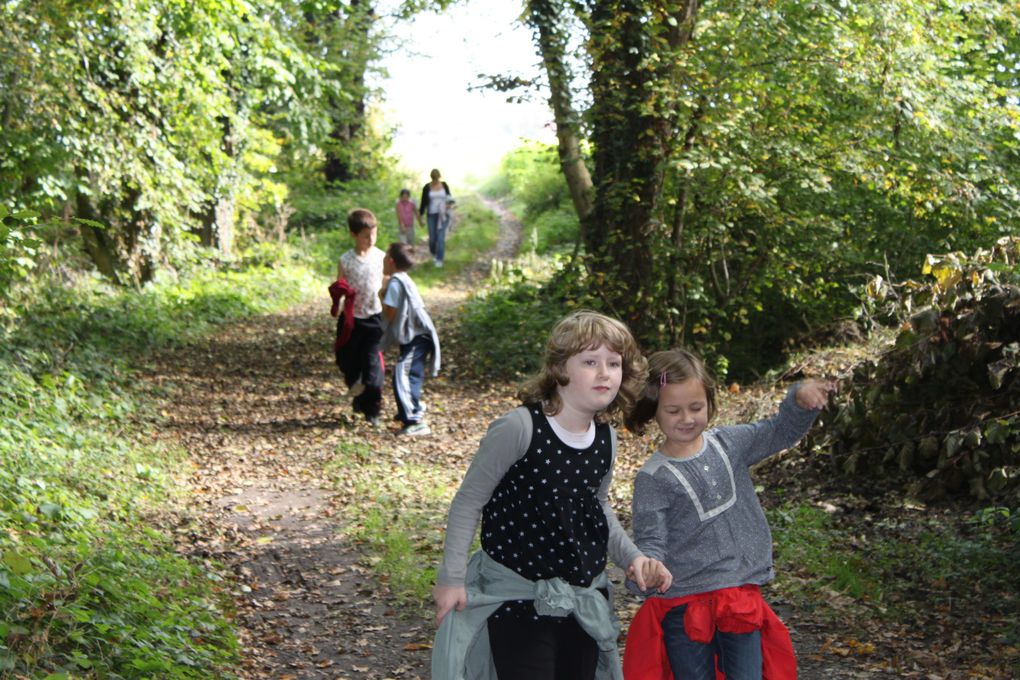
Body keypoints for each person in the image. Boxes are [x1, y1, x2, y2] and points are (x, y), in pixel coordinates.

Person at [431, 310, 673, 680]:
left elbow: (597, 508)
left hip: (582, 599)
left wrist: (632, 557)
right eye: (590, 361)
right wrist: (451, 579)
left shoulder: (605, 439)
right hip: (518, 598)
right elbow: (468, 501)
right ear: (560, 368)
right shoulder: (520, 428)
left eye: (614, 363)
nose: (605, 372)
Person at [621, 348, 834, 680]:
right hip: (683, 603)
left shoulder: (730, 444)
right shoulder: (653, 477)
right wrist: (649, 564)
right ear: (654, 413)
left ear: (709, 402)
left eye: (696, 407)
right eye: (673, 410)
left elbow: (778, 431)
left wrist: (798, 400)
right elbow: (651, 538)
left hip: (738, 595)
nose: (687, 418)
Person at [379, 242, 440, 436]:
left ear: (390, 261)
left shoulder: (396, 282)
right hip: (417, 336)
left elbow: (389, 312)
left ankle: (414, 419)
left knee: (402, 373)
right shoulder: (402, 279)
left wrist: (382, 296)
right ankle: (410, 407)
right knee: (410, 373)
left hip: (418, 337)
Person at [333, 208, 386, 426]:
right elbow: (339, 285)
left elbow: (388, 284)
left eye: (374, 234)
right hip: (352, 321)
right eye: (366, 235)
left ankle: (372, 410)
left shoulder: (381, 257)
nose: (371, 239)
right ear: (354, 235)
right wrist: (339, 292)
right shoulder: (345, 260)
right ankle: (359, 400)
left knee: (372, 367)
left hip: (375, 319)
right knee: (348, 362)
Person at [418, 168, 452, 267]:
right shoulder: (427, 187)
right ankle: (434, 253)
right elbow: (423, 203)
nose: (436, 179)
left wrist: (448, 205)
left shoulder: (444, 185)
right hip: (431, 215)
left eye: (437, 177)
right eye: (434, 177)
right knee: (433, 238)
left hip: (443, 215)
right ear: (431, 177)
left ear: (439, 176)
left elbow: (450, 198)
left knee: (440, 237)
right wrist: (420, 216)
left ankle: (439, 260)